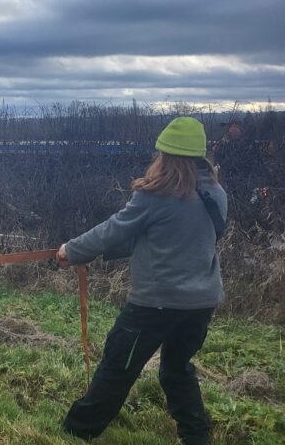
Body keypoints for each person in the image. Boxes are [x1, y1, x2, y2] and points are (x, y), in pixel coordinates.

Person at [56, 116, 227, 445]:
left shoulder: (157, 194)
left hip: (154, 305)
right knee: (177, 371)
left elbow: (113, 230)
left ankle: (74, 432)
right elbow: (170, 236)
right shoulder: (216, 195)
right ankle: (197, 439)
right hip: (201, 305)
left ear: (165, 155)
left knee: (117, 368)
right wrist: (89, 253)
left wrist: (70, 250)